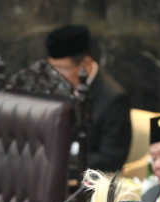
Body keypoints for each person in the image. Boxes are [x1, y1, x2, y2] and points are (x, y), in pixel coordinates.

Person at [46, 25, 131, 173]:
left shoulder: (113, 99)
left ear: (85, 64)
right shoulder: (57, 88)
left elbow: (111, 160)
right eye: (52, 69)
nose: (55, 76)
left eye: (61, 70)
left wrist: (61, 156)